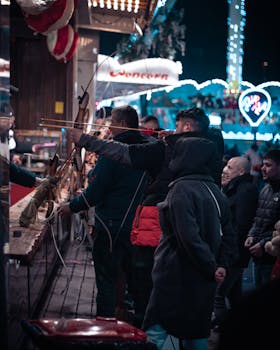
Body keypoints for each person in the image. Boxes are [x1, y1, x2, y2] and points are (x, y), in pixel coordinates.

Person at [68, 107, 225, 327]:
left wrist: (84, 139)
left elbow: (121, 154)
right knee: (171, 301)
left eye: (178, 127)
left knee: (140, 291)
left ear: (187, 128)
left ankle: (124, 330)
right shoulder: (211, 158)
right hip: (178, 249)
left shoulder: (169, 161)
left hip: (145, 232)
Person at [142, 137, 237, 350]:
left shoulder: (181, 189)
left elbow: (189, 237)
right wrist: (220, 265)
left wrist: (213, 266)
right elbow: (230, 235)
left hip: (175, 275)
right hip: (203, 278)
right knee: (196, 332)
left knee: (156, 331)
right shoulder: (214, 190)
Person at [58, 105, 153, 318]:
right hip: (137, 228)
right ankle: (138, 330)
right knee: (136, 284)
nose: (109, 127)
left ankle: (105, 329)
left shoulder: (115, 151)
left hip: (111, 227)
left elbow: (96, 192)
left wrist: (70, 207)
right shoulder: (147, 150)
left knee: (106, 281)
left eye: (112, 122)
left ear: (121, 124)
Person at [211, 156, 258, 332]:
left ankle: (226, 331)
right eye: (226, 166)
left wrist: (227, 255)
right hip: (234, 253)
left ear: (241, 172)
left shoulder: (245, 191)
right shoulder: (233, 188)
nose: (224, 170)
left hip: (234, 253)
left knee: (218, 294)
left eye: (230, 167)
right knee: (234, 294)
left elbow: (240, 226)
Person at [244, 149, 280, 289]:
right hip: (259, 255)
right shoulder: (265, 189)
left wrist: (263, 244)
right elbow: (258, 218)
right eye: (263, 165)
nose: (263, 169)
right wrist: (251, 235)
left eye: (268, 165)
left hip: (273, 256)